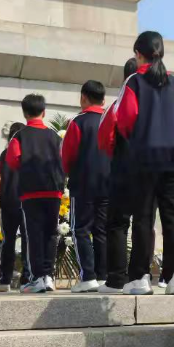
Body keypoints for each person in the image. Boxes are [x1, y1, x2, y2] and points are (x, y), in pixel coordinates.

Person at [114, 31, 174, 296]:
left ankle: (140, 276)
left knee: (143, 218)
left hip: (145, 158)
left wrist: (140, 138)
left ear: (138, 54)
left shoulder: (134, 81)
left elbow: (125, 119)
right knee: (173, 218)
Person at [6, 93, 65, 294]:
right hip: (53, 191)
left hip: (31, 192)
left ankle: (37, 277)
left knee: (34, 235)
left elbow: (13, 160)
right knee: (51, 233)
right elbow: (64, 160)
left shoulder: (19, 136)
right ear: (44, 112)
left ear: (24, 113)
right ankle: (49, 276)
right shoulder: (55, 137)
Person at [61, 80, 111, 293]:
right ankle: (102, 276)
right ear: (103, 100)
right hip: (108, 183)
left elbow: (67, 155)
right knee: (102, 230)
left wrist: (69, 173)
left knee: (80, 229)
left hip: (83, 183)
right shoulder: (110, 121)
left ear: (83, 97)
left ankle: (88, 276)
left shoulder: (78, 122)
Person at [97, 58, 138, 294]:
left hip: (123, 170)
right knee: (144, 224)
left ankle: (116, 279)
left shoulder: (117, 106)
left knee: (117, 224)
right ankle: (140, 276)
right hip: (151, 172)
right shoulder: (159, 105)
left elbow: (105, 140)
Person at [0, 122, 30, 292]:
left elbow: (0, 179)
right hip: (26, 201)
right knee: (27, 240)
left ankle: (5, 279)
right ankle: (26, 278)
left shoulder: (4, 154)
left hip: (8, 201)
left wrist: (1, 197)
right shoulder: (28, 154)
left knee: (8, 240)